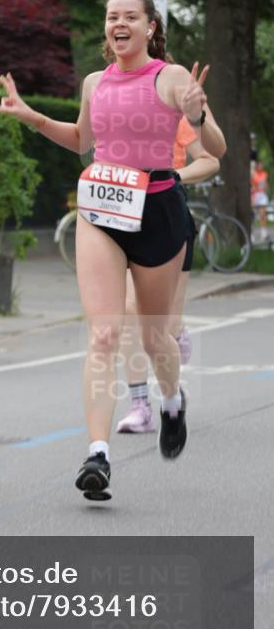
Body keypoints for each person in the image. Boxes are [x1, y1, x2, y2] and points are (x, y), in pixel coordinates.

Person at [0, 0, 220, 501]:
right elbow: (82, 142)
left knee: (154, 339)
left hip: (159, 210)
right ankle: (97, 453)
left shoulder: (172, 78)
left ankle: (171, 400)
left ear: (150, 27)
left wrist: (198, 117)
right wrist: (30, 115)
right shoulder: (94, 82)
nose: (118, 24)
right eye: (110, 17)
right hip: (102, 208)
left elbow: (217, 150)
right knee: (102, 336)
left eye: (129, 17)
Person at [116, 114, 223, 434]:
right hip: (125, 215)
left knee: (164, 325)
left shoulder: (175, 105)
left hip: (168, 215)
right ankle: (139, 406)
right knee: (130, 312)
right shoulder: (117, 102)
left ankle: (172, 378)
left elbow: (210, 159)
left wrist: (173, 174)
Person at [251, 160, 270, 235]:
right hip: (255, 195)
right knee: (252, 215)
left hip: (262, 195)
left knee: (263, 214)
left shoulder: (265, 174)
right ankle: (251, 232)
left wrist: (266, 188)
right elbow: (252, 186)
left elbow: (266, 184)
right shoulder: (253, 174)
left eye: (262, 165)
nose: (261, 166)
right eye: (260, 165)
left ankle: (263, 231)